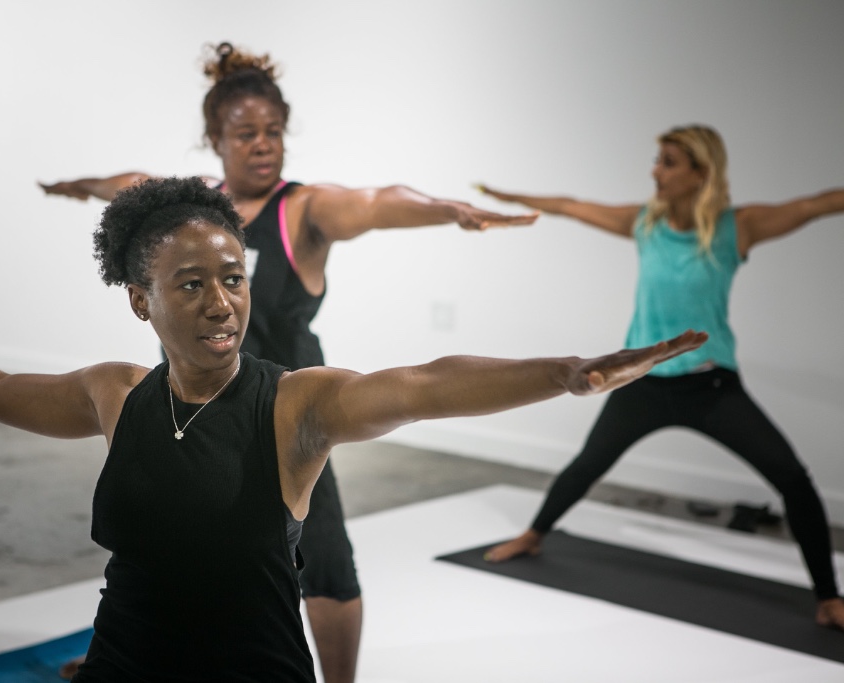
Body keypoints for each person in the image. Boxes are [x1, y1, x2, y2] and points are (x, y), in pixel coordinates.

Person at [0, 176, 705, 682]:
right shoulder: (113, 394)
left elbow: (424, 386)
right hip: (123, 665)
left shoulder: (296, 406)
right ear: (141, 299)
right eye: (192, 283)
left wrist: (564, 375)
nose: (222, 302)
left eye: (233, 277)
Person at [39, 42, 537, 683]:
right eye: (245, 133)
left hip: (287, 404)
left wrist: (447, 210)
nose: (262, 144)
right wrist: (73, 188)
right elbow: (123, 185)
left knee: (322, 554)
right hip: (193, 397)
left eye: (273, 132)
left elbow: (377, 201)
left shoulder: (303, 208)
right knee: (164, 534)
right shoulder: (194, 211)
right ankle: (132, 646)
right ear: (215, 139)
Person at [475, 124, 844, 630]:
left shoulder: (740, 226)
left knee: (794, 481)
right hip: (641, 384)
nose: (655, 169)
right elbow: (570, 205)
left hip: (711, 388)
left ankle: (828, 597)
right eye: (658, 159)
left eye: (668, 161)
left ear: (701, 172)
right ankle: (534, 534)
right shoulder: (645, 224)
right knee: (587, 465)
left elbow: (818, 204)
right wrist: (505, 196)